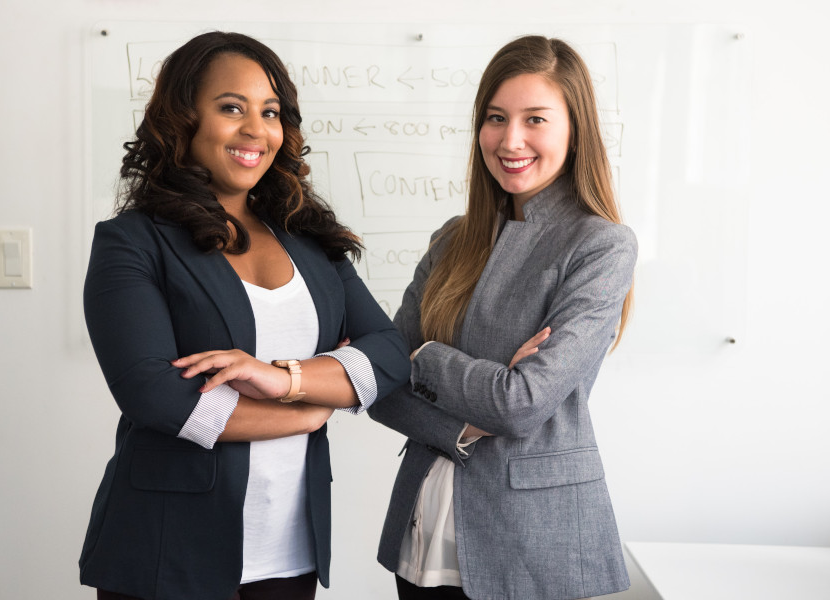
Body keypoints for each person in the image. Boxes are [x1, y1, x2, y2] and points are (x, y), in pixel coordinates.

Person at [77, 31, 410, 600]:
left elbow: (389, 355)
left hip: (289, 555)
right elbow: (154, 395)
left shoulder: (311, 243)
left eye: (270, 111)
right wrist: (305, 412)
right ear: (184, 119)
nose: (257, 129)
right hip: (167, 551)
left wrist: (286, 381)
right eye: (232, 107)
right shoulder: (133, 243)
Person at [368, 35, 637, 600]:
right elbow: (381, 384)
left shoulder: (601, 246)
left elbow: (521, 404)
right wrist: (462, 426)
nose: (510, 139)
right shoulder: (452, 238)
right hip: (424, 528)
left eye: (535, 118)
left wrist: (425, 357)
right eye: (495, 118)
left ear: (574, 128)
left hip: (532, 544)